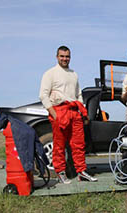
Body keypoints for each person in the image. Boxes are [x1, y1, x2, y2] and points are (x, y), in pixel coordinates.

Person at [39, 45, 97, 183]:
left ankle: (81, 171)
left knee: (78, 144)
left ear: (70, 57)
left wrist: (81, 110)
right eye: (62, 56)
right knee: (59, 145)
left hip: (74, 112)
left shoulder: (73, 74)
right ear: (57, 57)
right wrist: (54, 114)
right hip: (59, 111)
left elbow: (78, 94)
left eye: (67, 56)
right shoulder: (50, 73)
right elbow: (43, 95)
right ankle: (60, 172)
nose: (65, 59)